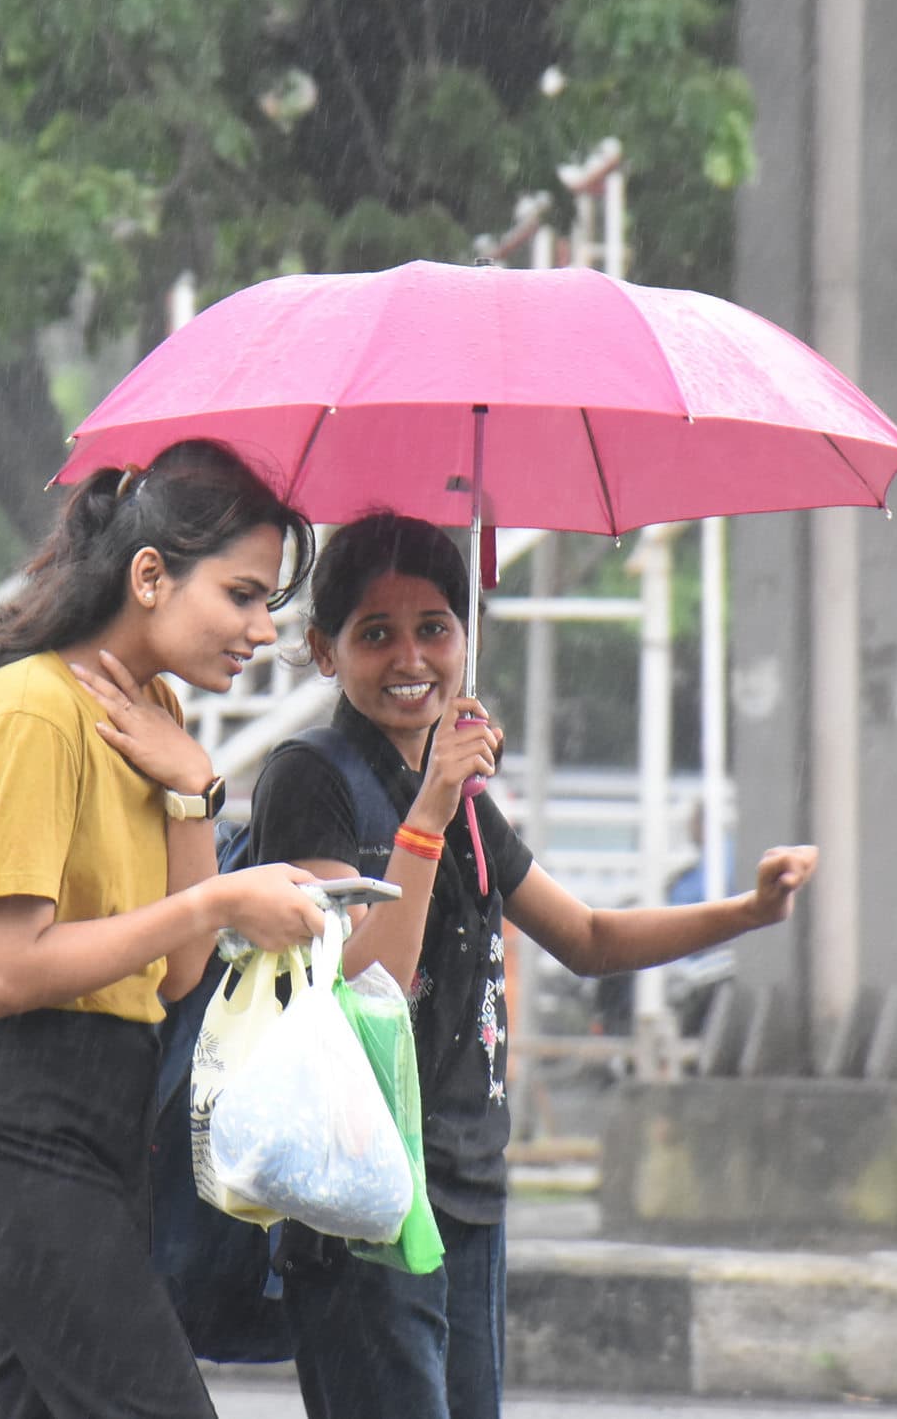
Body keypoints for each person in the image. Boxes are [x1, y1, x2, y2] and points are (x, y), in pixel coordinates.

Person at [243, 511, 818, 1419]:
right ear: (323, 651)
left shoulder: (463, 795)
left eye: (435, 627)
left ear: (466, 638)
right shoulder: (310, 778)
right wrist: (428, 809)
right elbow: (356, 985)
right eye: (376, 633)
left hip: (466, 1184)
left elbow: (587, 939)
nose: (411, 658)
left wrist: (750, 912)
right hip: (360, 1192)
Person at [0, 440, 329, 1419]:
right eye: (240, 594)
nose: (261, 630)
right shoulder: (31, 712)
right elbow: (10, 970)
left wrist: (195, 786)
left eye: (266, 602)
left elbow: (181, 972)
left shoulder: (154, 712)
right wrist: (222, 898)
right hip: (17, 1112)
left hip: (111, 1109)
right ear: (151, 574)